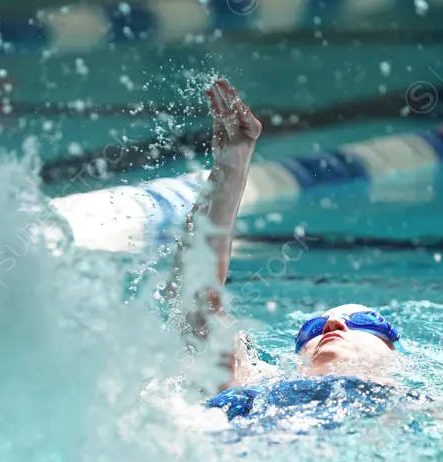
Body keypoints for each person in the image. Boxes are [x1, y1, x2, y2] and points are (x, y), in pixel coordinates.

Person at [164, 79, 425, 425]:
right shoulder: (254, 390)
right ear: (299, 356)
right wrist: (232, 161)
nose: (333, 324)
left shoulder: (418, 407)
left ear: (397, 357)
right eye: (312, 329)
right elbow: (196, 298)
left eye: (364, 321)